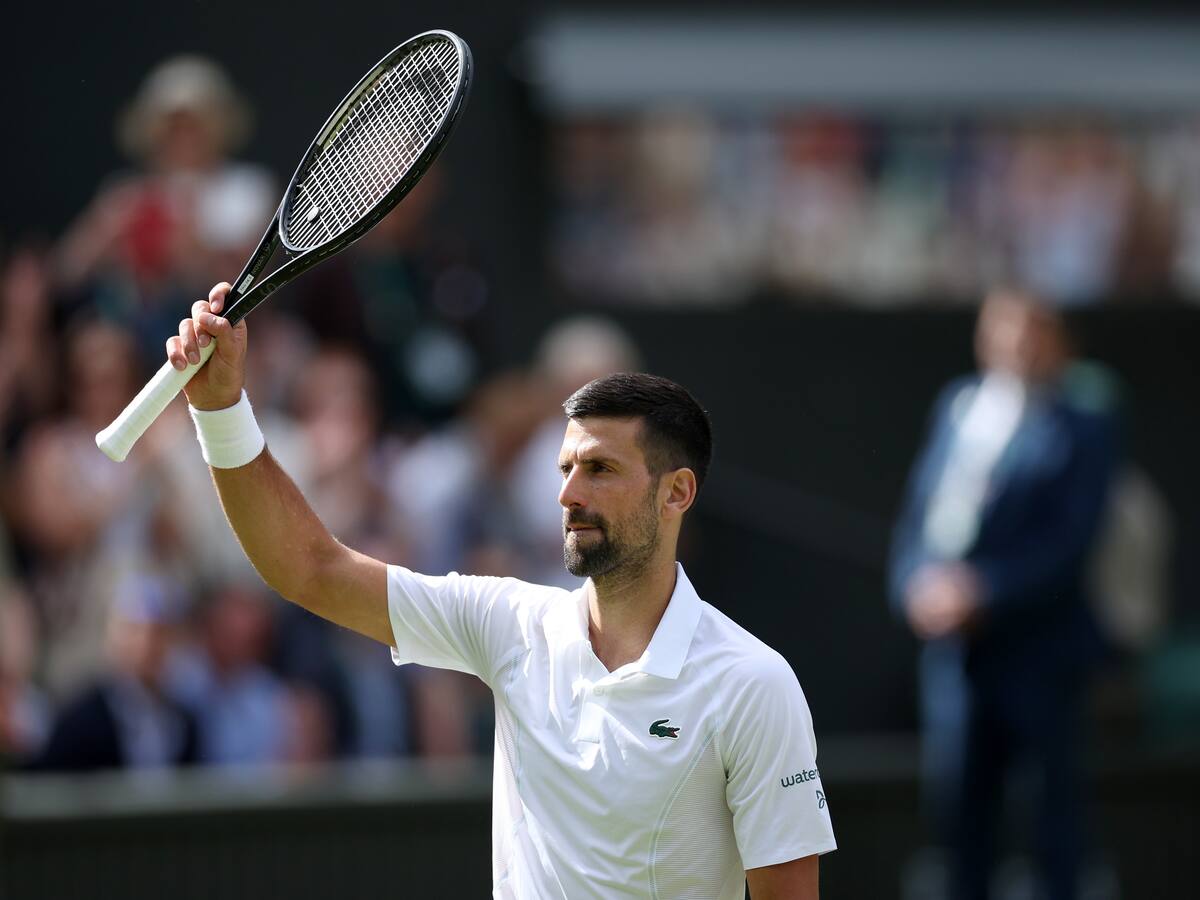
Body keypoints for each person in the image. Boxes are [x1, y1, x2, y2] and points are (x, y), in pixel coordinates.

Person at [163, 282, 836, 898]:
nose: (568, 494)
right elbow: (309, 570)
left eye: (600, 469)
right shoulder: (511, 623)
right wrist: (222, 409)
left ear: (676, 493)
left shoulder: (753, 684)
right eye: (566, 468)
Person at [889, 287, 1120, 900]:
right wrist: (915, 585)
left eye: (1033, 330)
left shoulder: (1084, 425)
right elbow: (920, 517)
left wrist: (982, 592)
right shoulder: (957, 406)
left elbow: (1069, 544)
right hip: (957, 660)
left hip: (1039, 655)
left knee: (1051, 824)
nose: (1017, 344)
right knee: (960, 825)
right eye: (1005, 328)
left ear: (1060, 343)